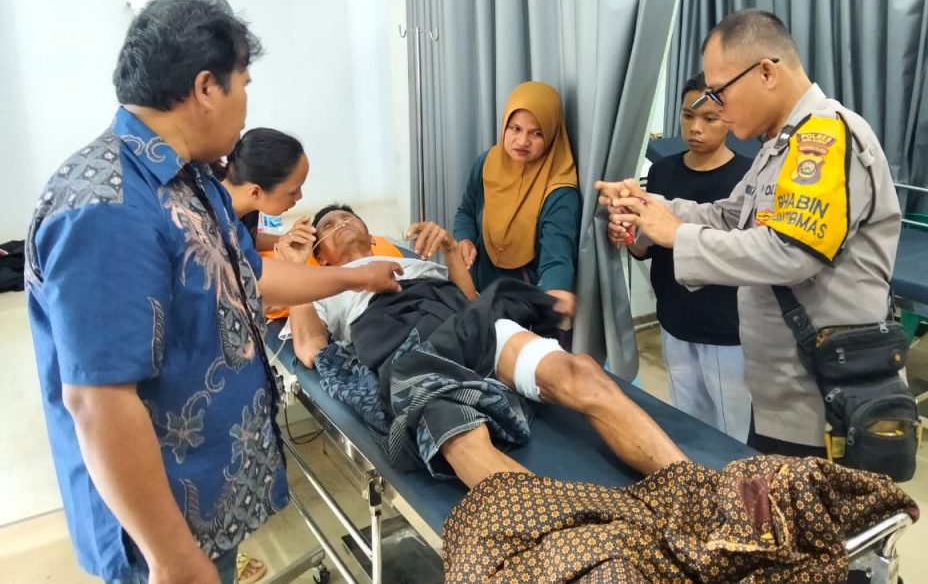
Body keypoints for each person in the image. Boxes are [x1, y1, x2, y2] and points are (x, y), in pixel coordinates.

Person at [25, 0, 403, 584]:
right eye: (244, 84)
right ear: (206, 87)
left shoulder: (192, 180)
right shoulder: (107, 206)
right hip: (164, 535)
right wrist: (174, 560)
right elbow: (100, 402)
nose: (247, 104)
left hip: (209, 501)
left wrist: (353, 276)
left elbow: (248, 277)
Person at [597, 9, 902, 457]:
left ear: (766, 73)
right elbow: (728, 217)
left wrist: (677, 235)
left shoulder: (825, 139)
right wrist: (648, 207)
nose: (715, 108)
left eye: (719, 92)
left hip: (826, 400)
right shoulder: (779, 146)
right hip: (783, 392)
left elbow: (791, 252)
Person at [283, 205, 687, 489]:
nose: (341, 224)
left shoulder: (415, 265)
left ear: (372, 236)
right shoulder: (322, 288)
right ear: (322, 256)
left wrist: (449, 249)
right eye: (329, 226)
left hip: (465, 324)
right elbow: (311, 348)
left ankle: (692, 488)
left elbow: (470, 299)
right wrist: (297, 270)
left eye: (348, 218)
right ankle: (580, 549)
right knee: (460, 436)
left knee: (580, 371)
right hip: (405, 349)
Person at [608, 73, 753, 441]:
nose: (695, 128)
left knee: (732, 434)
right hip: (675, 319)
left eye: (709, 118)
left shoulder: (746, 178)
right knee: (688, 425)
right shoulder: (662, 172)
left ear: (729, 119)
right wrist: (628, 236)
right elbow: (645, 246)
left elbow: (747, 254)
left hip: (727, 328)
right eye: (688, 116)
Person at [453, 81, 581, 319]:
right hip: (480, 291)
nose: (522, 141)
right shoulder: (488, 162)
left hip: (524, 304)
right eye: (515, 128)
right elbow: (466, 211)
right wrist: (465, 238)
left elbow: (557, 254)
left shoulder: (560, 190)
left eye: (537, 133)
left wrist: (555, 290)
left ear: (552, 134)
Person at [218, 126, 314, 253]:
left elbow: (249, 239)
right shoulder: (211, 222)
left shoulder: (245, 206)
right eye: (293, 192)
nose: (299, 197)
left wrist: (289, 239)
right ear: (255, 192)